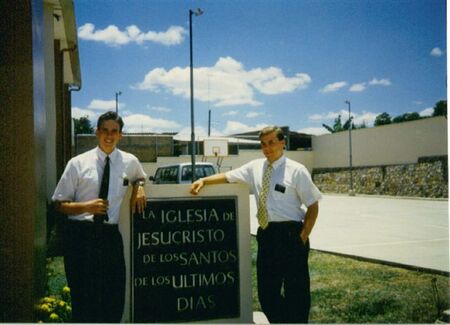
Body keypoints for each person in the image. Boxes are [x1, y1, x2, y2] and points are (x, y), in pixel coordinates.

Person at [190, 126, 322, 323]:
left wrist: (302, 236)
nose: (267, 148)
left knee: (297, 292)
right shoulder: (255, 167)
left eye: (271, 143)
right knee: (267, 293)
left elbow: (313, 206)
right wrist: (204, 180)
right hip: (267, 235)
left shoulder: (297, 171)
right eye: (263, 144)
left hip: (291, 234)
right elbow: (228, 176)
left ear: (282, 143)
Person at [52, 111, 147, 323]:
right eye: (104, 130)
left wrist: (139, 186)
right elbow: (59, 205)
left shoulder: (129, 162)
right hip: (80, 238)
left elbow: (139, 176)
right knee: (84, 301)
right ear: (96, 132)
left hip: (109, 237)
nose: (109, 135)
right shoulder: (77, 163)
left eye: (114, 131)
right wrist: (86, 207)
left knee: (114, 299)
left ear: (121, 135)